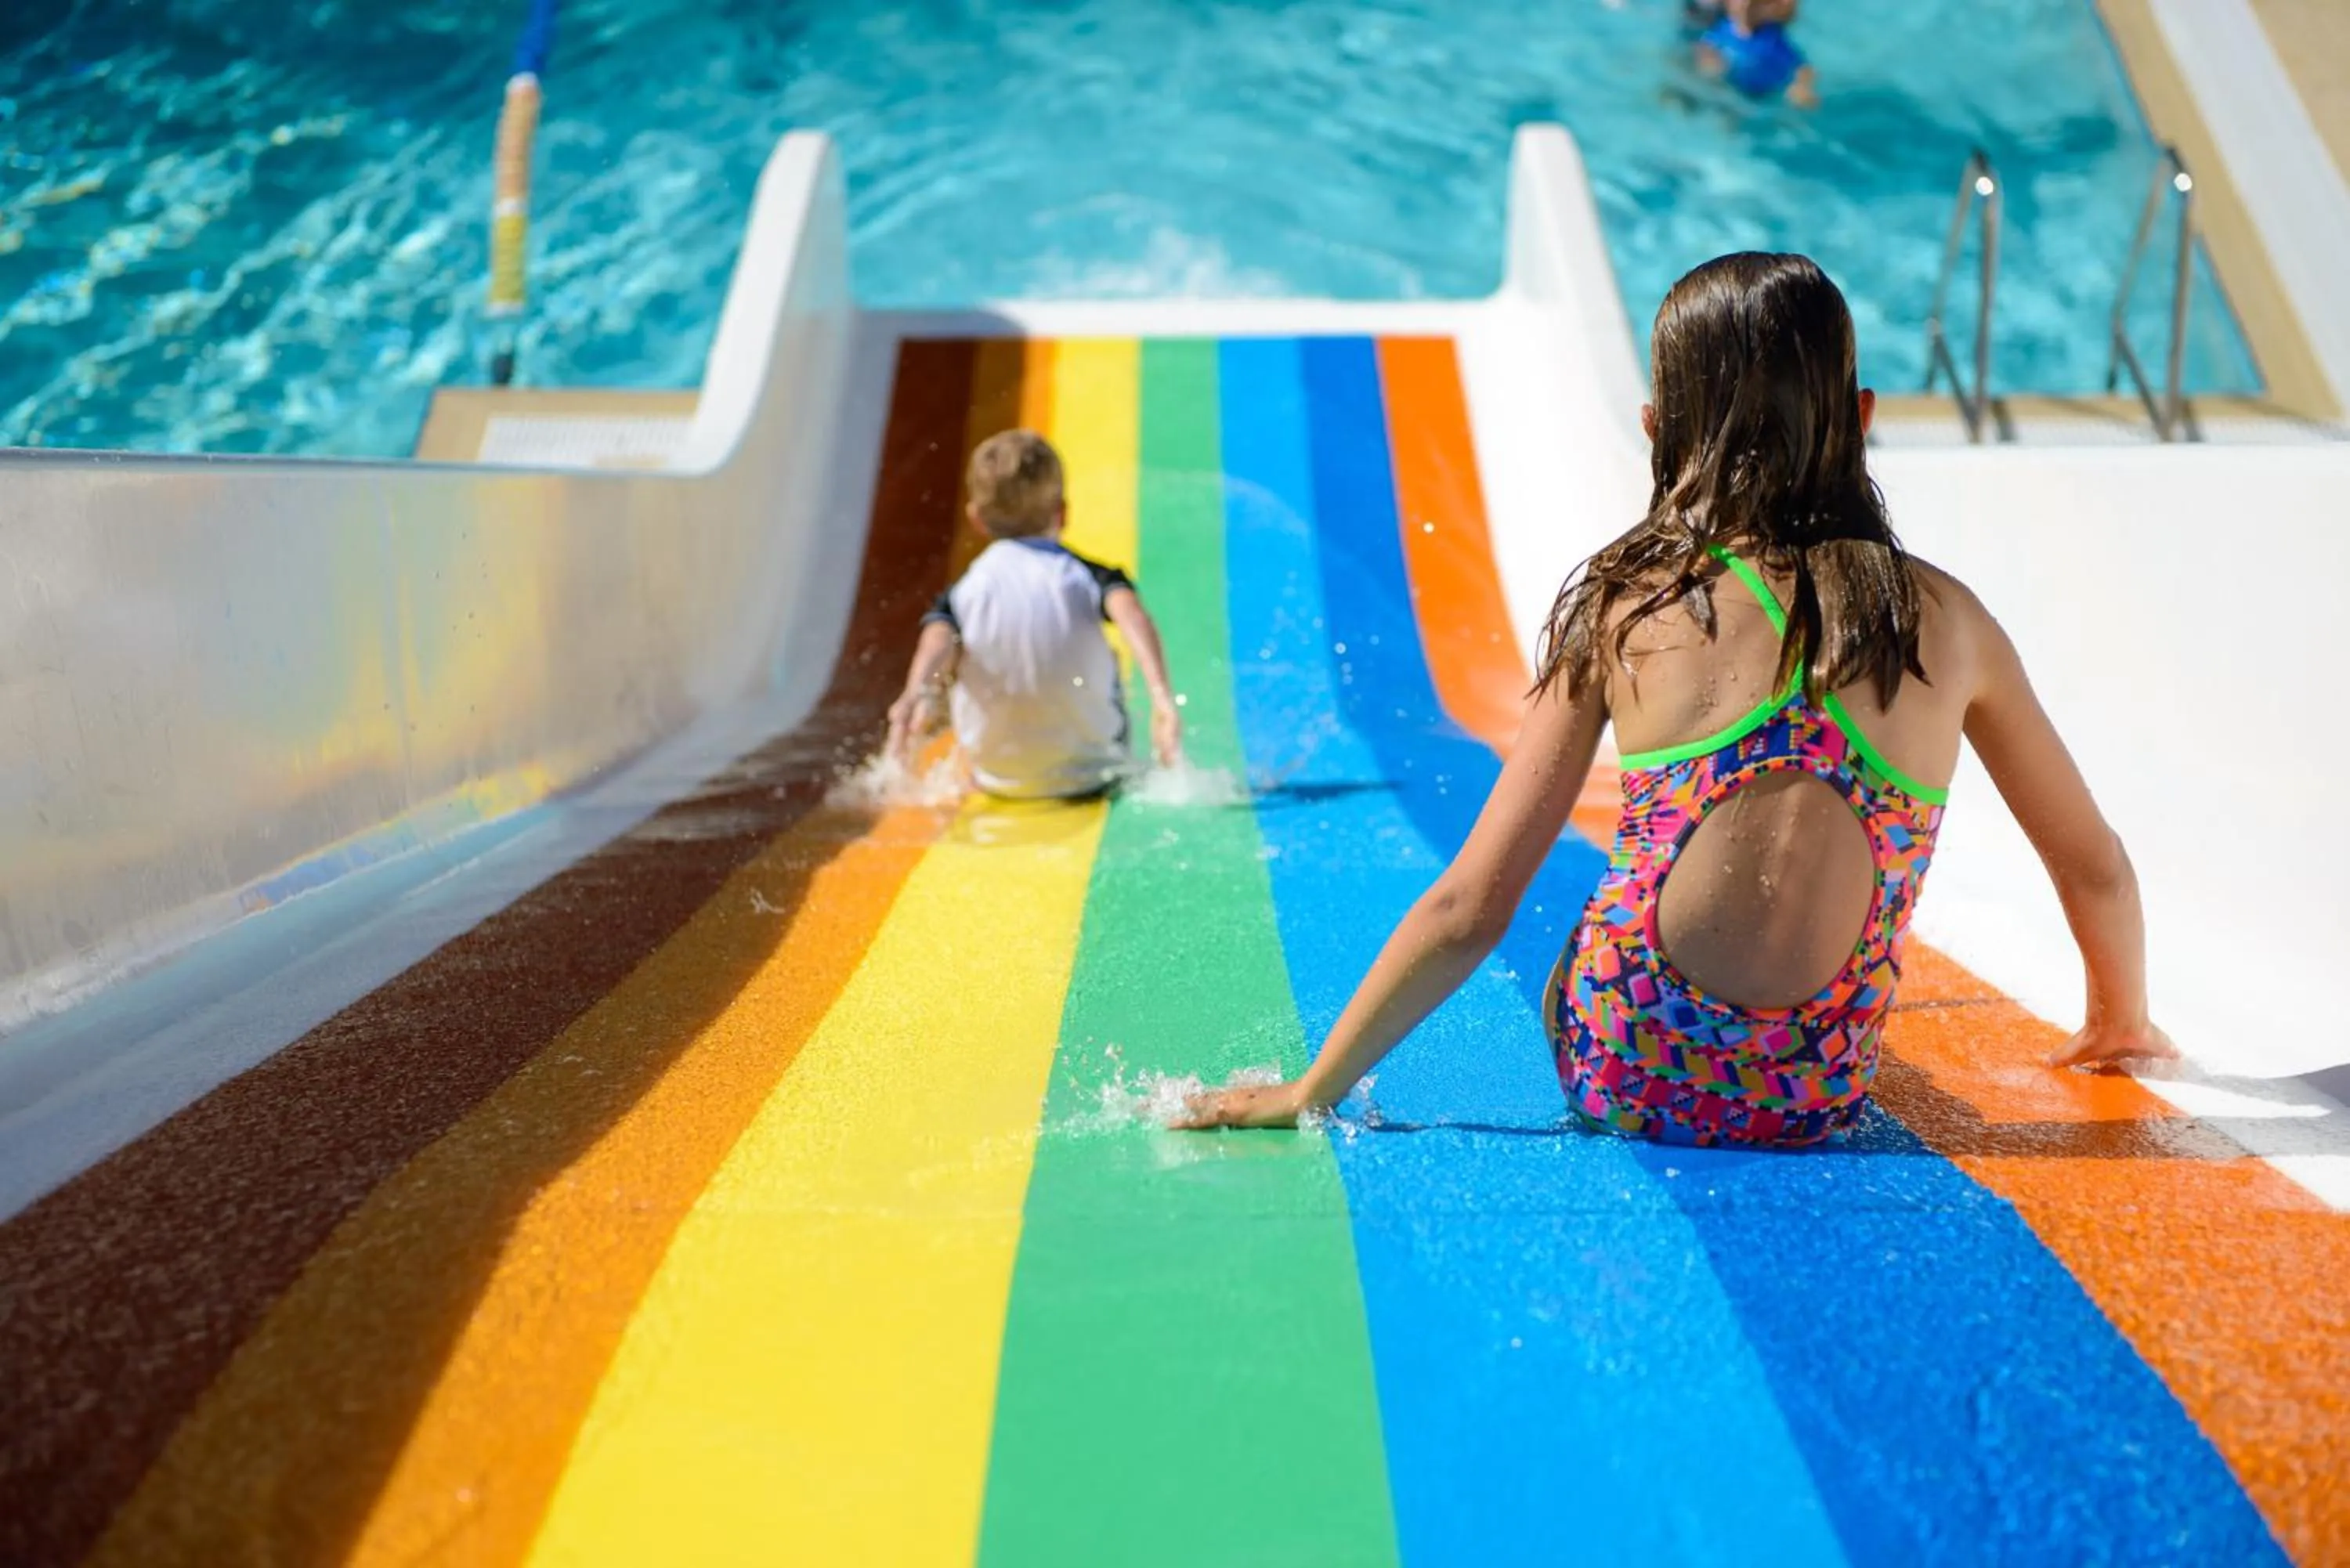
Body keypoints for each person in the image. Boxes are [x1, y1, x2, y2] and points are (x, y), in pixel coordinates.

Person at [1179, 252, 2175, 1145]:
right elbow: (2095, 866)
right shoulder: (1950, 622)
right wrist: (2117, 1018)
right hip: (1813, 1098)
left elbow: (1470, 906)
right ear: (1863, 415)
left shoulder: (1628, 607)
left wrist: (1311, 1087)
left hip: (1627, 1071)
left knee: (1600, 919)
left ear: (1655, 428)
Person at [886, 428, 1181, 799]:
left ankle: (986, 766)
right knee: (1111, 657)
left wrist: (917, 692)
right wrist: (1162, 699)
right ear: (1063, 513)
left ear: (976, 519)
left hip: (998, 778)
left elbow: (937, 641)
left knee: (964, 650)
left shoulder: (966, 592)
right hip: (1094, 772)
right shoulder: (1086, 575)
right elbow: (1132, 615)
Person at [1695, 0, 1818, 108]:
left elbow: (1803, 67)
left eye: (1754, 4)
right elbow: (1706, 46)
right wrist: (1708, 60)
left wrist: (1802, 86)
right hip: (1732, 89)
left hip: (1762, 95)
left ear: (1767, 8)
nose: (1745, 7)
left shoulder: (1771, 39)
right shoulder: (1723, 29)